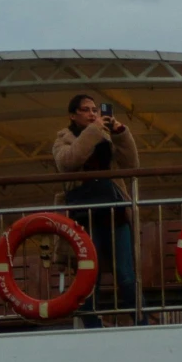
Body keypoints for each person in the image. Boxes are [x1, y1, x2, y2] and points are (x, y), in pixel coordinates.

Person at [54, 94, 141, 326]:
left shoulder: (107, 136)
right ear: (73, 115)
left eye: (95, 110)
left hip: (115, 211)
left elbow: (132, 165)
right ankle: (92, 324)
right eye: (85, 110)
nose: (92, 113)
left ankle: (140, 321)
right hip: (84, 214)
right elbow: (68, 162)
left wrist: (121, 133)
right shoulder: (63, 139)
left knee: (125, 273)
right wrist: (93, 131)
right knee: (89, 273)